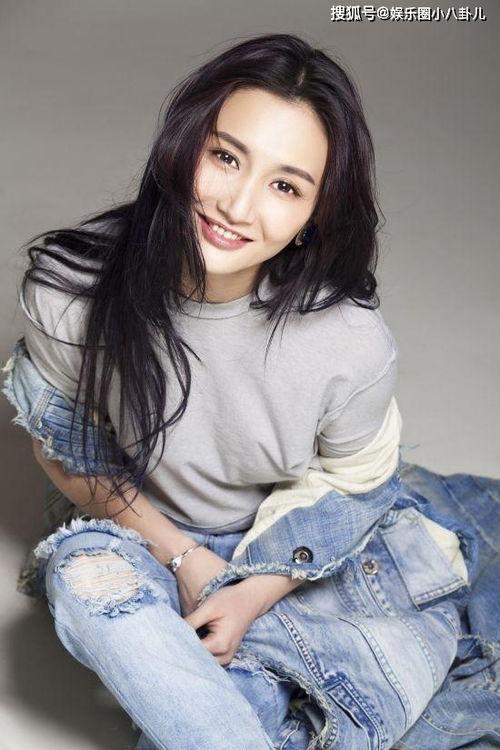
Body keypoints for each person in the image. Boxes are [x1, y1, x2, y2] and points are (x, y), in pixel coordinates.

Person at [2, 33, 499, 750]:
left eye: (285, 186)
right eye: (226, 157)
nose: (236, 206)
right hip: (141, 533)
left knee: (250, 700)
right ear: (183, 146)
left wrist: (251, 592)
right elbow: (68, 449)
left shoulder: (347, 339)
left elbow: (354, 486)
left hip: (292, 549)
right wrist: (184, 558)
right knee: (85, 586)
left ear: (314, 215)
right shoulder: (69, 291)